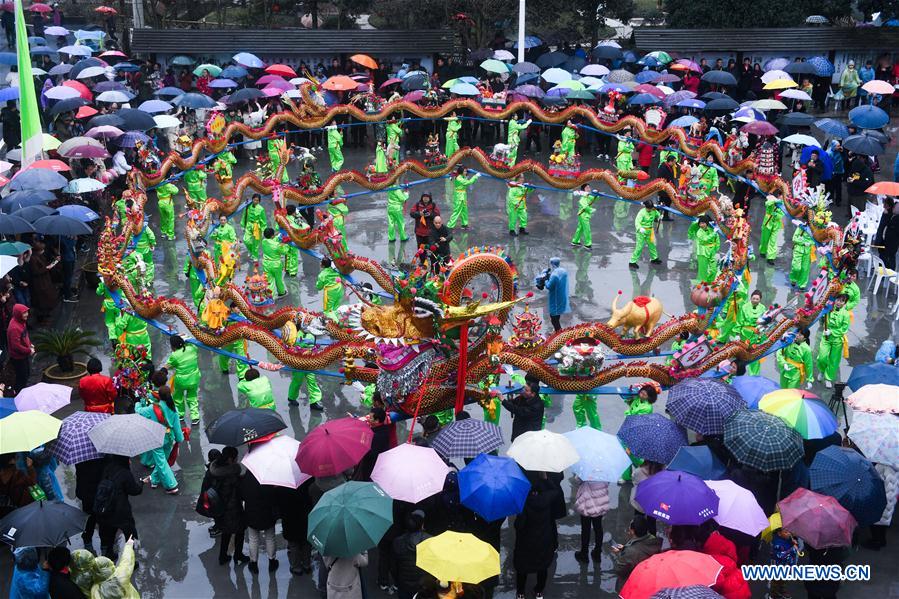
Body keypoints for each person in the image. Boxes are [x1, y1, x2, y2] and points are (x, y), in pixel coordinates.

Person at [513, 472, 563, 599]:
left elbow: (518, 525)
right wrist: (546, 479)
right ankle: (539, 591)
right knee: (543, 566)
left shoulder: (524, 503)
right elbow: (555, 490)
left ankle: (520, 593)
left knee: (522, 568)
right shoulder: (547, 498)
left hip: (526, 542)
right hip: (543, 539)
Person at [136, 387, 183, 494]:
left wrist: (138, 402)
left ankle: (172, 485)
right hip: (169, 437)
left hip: (156, 438)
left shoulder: (153, 408)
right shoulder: (173, 406)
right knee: (163, 461)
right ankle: (154, 480)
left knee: (161, 462)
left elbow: (138, 411)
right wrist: (179, 438)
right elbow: (176, 425)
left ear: (159, 396)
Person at [96, 455, 143, 559]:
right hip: (121, 511)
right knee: (130, 535)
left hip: (106, 509)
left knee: (108, 535)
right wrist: (141, 482)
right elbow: (135, 490)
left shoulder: (107, 468)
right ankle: (131, 559)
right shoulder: (125, 473)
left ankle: (107, 556)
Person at [209, 447, 249, 566]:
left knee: (226, 532)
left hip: (220, 508)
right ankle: (238, 554)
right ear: (231, 459)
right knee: (240, 531)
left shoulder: (215, 470)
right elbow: (240, 492)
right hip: (233, 508)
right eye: (236, 457)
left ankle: (223, 556)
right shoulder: (232, 474)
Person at [241, 467, 279, 574]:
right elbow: (274, 496)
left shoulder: (247, 477)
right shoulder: (269, 477)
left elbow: (242, 495)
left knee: (253, 539)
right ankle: (272, 561)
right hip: (268, 513)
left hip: (252, 513)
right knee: (270, 538)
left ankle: (253, 563)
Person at [611, 515, 662, 584]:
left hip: (633, 583)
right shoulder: (653, 539)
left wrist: (618, 554)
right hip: (647, 578)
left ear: (632, 531)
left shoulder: (630, 552)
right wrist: (625, 548)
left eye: (630, 526)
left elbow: (619, 570)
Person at [391, 510, 431, 599]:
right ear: (422, 525)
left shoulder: (398, 541)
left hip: (404, 585)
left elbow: (394, 566)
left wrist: (397, 581)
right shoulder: (430, 541)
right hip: (423, 585)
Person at [166, 335, 201, 426]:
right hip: (194, 379)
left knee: (178, 397)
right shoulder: (192, 349)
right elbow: (193, 344)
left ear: (173, 346)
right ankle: (195, 417)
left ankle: (180, 414)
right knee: (192, 397)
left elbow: (168, 366)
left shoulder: (175, 355)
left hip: (181, 381)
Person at [817, 293, 850, 388]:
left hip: (837, 340)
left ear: (845, 303)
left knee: (833, 360)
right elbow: (821, 320)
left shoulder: (846, 314)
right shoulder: (829, 309)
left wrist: (832, 332)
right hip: (826, 338)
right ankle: (822, 371)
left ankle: (828, 378)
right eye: (838, 300)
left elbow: (844, 329)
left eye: (842, 301)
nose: (839, 302)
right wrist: (822, 316)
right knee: (822, 357)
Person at [573, 477, 609, 563]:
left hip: (587, 504)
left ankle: (584, 554)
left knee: (585, 529)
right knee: (598, 528)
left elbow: (577, 480)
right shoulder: (604, 471)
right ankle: (597, 552)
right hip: (599, 504)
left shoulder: (585, 470)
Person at [287, 326, 323, 411]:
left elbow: (314, 347)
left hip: (309, 362)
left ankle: (314, 402)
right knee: (297, 381)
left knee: (312, 381)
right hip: (298, 363)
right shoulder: (295, 333)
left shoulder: (312, 334)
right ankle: (291, 397)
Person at [501, 374, 544, 441]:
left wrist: (502, 400)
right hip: (518, 432)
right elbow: (513, 403)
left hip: (528, 437)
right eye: (524, 388)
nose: (523, 391)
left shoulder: (537, 405)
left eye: (526, 390)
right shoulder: (524, 397)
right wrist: (509, 398)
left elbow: (518, 410)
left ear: (533, 393)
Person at [736, 290, 766, 376]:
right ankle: (739, 372)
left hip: (757, 334)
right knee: (742, 354)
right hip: (745, 333)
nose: (755, 300)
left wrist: (763, 327)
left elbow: (765, 319)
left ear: (760, 300)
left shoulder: (763, 308)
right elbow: (739, 321)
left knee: (755, 353)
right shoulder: (744, 307)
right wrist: (737, 334)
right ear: (751, 298)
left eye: (757, 299)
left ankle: (754, 375)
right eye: (754, 298)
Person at [6, 304, 33, 392]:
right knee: (22, 377)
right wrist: (29, 350)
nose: (27, 314)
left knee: (26, 374)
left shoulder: (21, 321)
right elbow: (16, 346)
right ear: (18, 314)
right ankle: (18, 393)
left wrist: (30, 344)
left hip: (23, 355)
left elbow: (25, 336)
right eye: (24, 313)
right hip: (18, 358)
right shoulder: (14, 328)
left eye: (26, 312)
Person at [629, 200, 662, 269]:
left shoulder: (653, 211)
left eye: (651, 208)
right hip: (641, 232)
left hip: (650, 231)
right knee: (639, 247)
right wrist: (640, 228)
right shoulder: (642, 212)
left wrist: (660, 216)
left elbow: (657, 214)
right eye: (649, 208)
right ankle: (632, 262)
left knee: (652, 245)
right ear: (646, 207)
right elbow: (637, 221)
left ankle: (654, 258)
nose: (650, 209)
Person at [768, 527, 800, 599]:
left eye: (789, 532)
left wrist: (794, 543)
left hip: (786, 564)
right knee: (776, 580)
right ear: (779, 533)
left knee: (784, 579)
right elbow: (780, 555)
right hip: (778, 566)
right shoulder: (777, 543)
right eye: (786, 532)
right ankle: (774, 594)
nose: (788, 534)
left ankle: (782, 590)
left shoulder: (788, 539)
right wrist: (793, 549)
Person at [687, 215, 720, 283]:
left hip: (711, 252)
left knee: (713, 269)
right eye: (700, 223)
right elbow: (704, 240)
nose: (701, 225)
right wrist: (714, 233)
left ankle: (710, 282)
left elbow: (717, 240)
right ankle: (703, 283)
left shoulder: (711, 229)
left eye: (703, 223)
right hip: (702, 252)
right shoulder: (699, 231)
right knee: (703, 271)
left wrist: (715, 248)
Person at [261, 227, 290, 298]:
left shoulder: (263, 242)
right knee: (278, 280)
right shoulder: (277, 245)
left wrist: (277, 237)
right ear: (272, 236)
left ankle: (271, 296)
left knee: (269, 281)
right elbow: (285, 251)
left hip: (266, 264)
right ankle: (281, 292)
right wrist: (286, 244)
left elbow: (271, 241)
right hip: (276, 265)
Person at [789, 221, 815, 289]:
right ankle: (794, 279)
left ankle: (802, 285)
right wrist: (804, 243)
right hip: (798, 249)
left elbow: (815, 241)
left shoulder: (815, 230)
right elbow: (794, 238)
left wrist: (809, 243)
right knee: (796, 267)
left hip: (808, 251)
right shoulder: (801, 227)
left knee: (805, 269)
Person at [758, 195, 783, 265]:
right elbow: (767, 203)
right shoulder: (771, 199)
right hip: (768, 222)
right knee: (765, 239)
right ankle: (763, 251)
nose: (781, 198)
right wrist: (775, 201)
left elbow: (782, 214)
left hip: (776, 224)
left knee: (773, 241)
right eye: (780, 196)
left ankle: (770, 258)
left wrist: (777, 215)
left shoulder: (782, 205)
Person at [242, 194, 268, 259]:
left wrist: (263, 231)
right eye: (254, 200)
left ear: (259, 201)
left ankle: (255, 257)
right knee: (246, 240)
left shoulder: (261, 209)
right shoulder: (248, 206)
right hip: (248, 225)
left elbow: (263, 220)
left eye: (257, 200)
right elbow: (244, 216)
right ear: (252, 199)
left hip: (257, 227)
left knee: (256, 244)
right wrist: (243, 225)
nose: (255, 201)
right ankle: (251, 251)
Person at [571, 184, 596, 249]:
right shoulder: (583, 198)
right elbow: (585, 206)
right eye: (587, 187)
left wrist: (596, 195)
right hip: (583, 216)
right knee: (587, 230)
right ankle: (588, 244)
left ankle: (575, 241)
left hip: (584, 215)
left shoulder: (588, 196)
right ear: (584, 189)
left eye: (589, 187)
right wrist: (591, 210)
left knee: (580, 229)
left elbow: (593, 199)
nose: (589, 188)